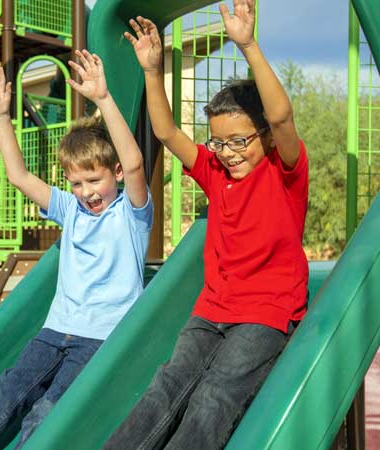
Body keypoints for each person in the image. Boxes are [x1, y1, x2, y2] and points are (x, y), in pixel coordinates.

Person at [104, 1, 309, 449]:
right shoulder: (215, 172)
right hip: (212, 310)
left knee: (215, 395)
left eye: (240, 141)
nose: (229, 152)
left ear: (266, 139)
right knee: (167, 387)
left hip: (265, 313)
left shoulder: (283, 171)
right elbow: (166, 133)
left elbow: (280, 116)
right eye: (220, 141)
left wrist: (248, 44)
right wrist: (152, 72)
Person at [0, 50, 153, 450]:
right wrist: (2, 117)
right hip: (54, 331)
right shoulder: (70, 209)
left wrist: (104, 100)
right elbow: (19, 177)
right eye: (77, 183)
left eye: (94, 180)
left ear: (116, 174)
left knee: (47, 412)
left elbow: (137, 163)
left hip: (100, 339)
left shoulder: (131, 214)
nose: (87, 192)